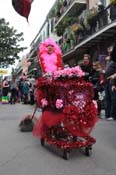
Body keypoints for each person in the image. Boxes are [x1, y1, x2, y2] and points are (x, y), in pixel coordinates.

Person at [104, 44, 116, 121]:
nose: (109, 53)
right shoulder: (109, 61)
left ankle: (113, 115)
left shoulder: (114, 61)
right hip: (107, 81)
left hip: (112, 81)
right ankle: (107, 114)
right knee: (107, 98)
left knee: (113, 98)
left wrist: (114, 82)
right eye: (108, 52)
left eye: (110, 51)